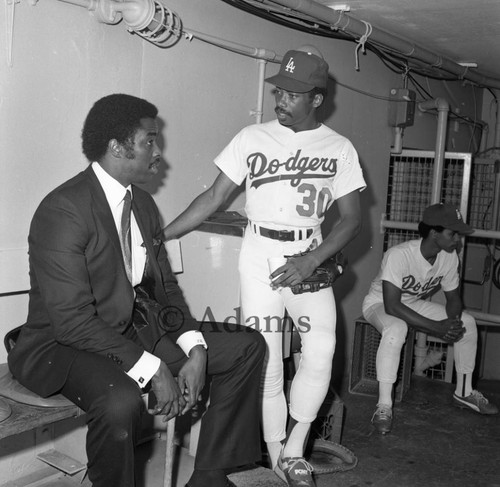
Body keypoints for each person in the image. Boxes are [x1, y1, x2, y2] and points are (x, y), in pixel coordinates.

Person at [7, 94, 266, 487]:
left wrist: (195, 348)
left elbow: (166, 288)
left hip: (130, 328)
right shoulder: (64, 209)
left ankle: (210, 476)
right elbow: (73, 322)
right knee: (121, 400)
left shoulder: (142, 205)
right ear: (117, 147)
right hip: (61, 345)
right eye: (149, 140)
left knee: (245, 347)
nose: (158, 151)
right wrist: (153, 367)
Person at [163, 48, 366, 487]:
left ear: (317, 98)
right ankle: (279, 455)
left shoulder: (338, 147)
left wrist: (313, 258)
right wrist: (163, 237)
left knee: (321, 351)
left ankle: (296, 446)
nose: (281, 99)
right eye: (279, 90)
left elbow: (352, 220)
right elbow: (213, 198)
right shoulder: (252, 137)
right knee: (268, 358)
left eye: (293, 93)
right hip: (258, 255)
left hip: (307, 257)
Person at [362, 203, 498, 435]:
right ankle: (384, 405)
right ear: (434, 233)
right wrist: (438, 327)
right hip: (379, 304)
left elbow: (454, 298)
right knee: (396, 328)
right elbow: (392, 305)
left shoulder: (448, 256)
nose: (457, 239)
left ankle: (464, 391)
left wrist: (452, 324)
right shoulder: (399, 255)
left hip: (412, 303)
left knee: (468, 323)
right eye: (452, 233)